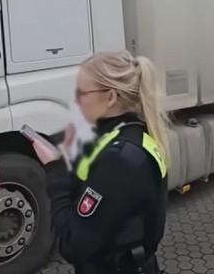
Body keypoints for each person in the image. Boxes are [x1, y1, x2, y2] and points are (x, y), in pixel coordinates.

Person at [31, 51, 170, 274]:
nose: (76, 101)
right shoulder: (133, 135)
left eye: (82, 93)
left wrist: (56, 173)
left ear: (111, 98)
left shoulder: (120, 160)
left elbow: (73, 244)